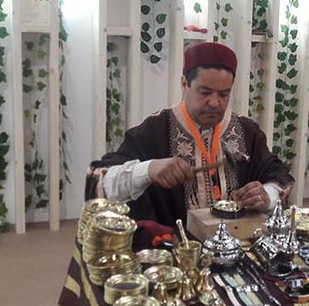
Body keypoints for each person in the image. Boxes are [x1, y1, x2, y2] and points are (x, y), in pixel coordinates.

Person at [92, 42, 294, 227]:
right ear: (183, 84)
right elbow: (101, 182)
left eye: (223, 94)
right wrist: (148, 170)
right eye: (204, 92)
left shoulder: (247, 131)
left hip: (240, 245)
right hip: (176, 253)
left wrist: (266, 195)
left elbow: (279, 175)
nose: (214, 103)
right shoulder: (154, 131)